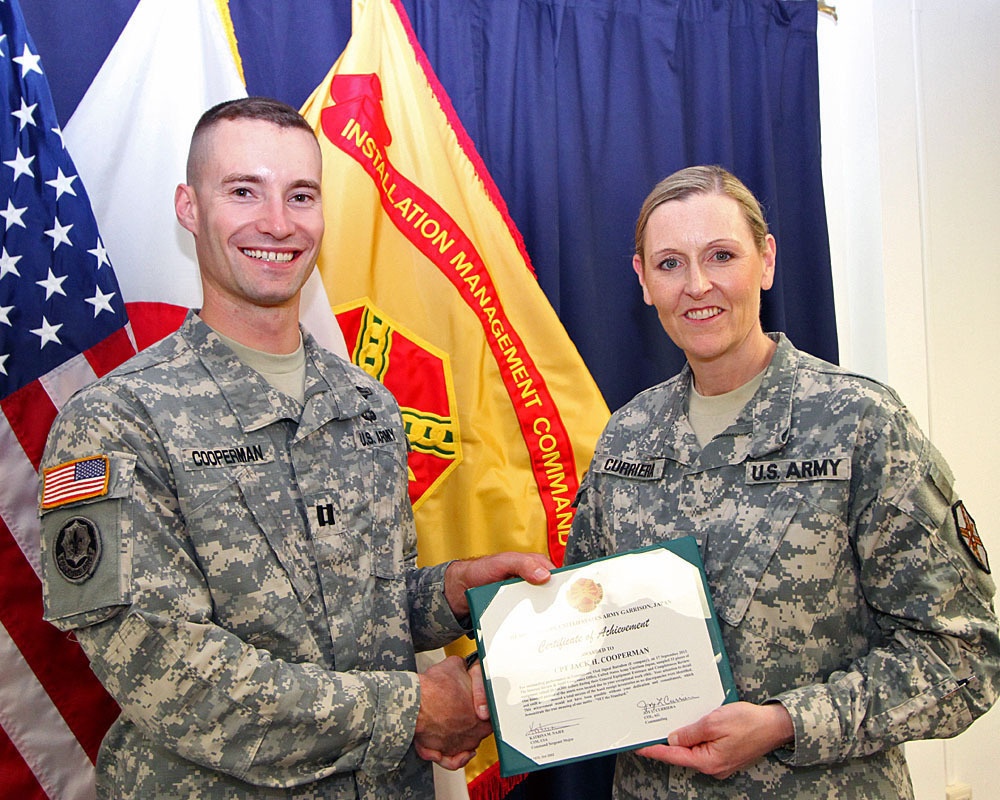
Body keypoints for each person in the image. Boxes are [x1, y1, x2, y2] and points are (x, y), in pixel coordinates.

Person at [37, 97, 553, 799]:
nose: (277, 223)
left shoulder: (364, 402)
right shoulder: (116, 422)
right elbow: (166, 671)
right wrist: (411, 709)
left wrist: (451, 595)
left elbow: (367, 605)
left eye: (301, 195)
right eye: (243, 191)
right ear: (189, 207)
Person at [564, 165, 999, 798]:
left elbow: (964, 657)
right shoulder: (628, 437)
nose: (698, 285)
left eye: (722, 255)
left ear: (765, 261)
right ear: (643, 281)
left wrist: (788, 723)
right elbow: (585, 626)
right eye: (670, 264)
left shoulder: (860, 424)